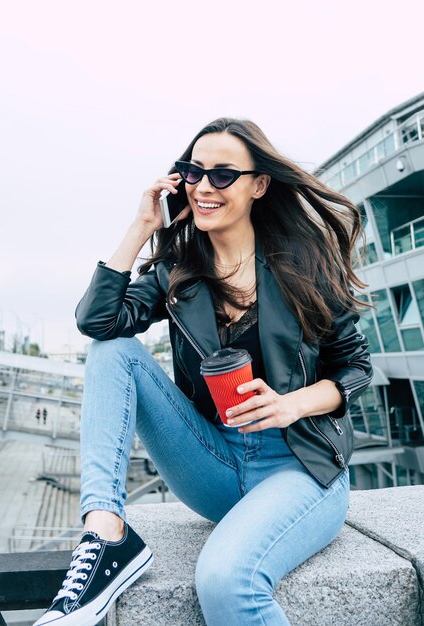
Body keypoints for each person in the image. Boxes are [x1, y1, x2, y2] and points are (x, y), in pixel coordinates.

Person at [34, 117, 373, 626]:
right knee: (112, 351)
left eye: (222, 175)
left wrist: (290, 405)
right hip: (212, 462)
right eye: (193, 173)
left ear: (259, 185)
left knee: (225, 580)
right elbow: (98, 322)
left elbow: (356, 368)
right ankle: (106, 534)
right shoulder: (178, 268)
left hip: (299, 465)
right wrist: (141, 228)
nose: (203, 187)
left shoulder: (306, 264)